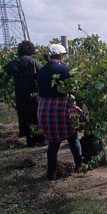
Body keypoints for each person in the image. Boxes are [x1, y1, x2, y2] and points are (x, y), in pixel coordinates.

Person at [36, 43, 84, 180]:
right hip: (62, 106)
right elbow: (74, 89)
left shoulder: (42, 70)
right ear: (62, 55)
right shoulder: (66, 69)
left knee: (53, 141)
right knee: (73, 136)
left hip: (44, 107)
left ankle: (52, 171)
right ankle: (79, 164)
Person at [3, 40, 45, 147]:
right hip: (34, 95)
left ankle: (30, 140)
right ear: (31, 50)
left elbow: (7, 73)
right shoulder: (33, 62)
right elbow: (43, 75)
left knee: (25, 116)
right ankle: (40, 139)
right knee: (37, 116)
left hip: (20, 95)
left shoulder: (14, 63)